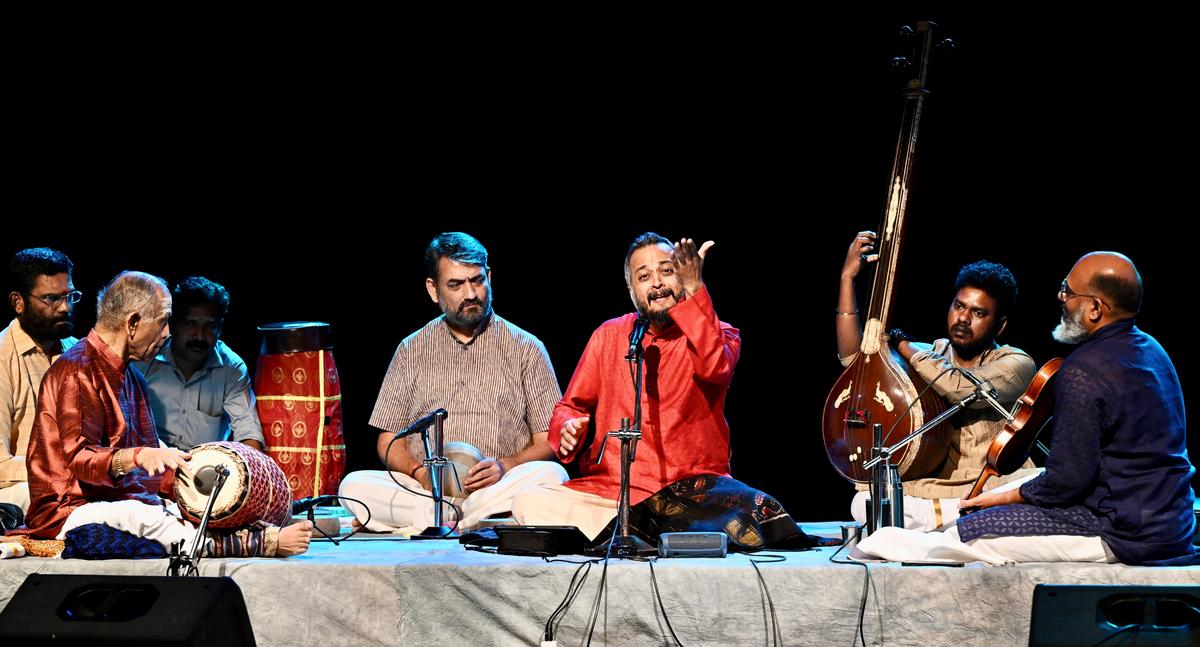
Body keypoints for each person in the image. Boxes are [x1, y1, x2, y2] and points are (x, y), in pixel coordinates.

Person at [856, 252, 1195, 565]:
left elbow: (1066, 483)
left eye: (1068, 291)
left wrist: (1005, 498)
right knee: (986, 512)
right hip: (1172, 521)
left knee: (968, 534)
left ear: (1094, 309)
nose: (1061, 297)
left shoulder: (1083, 370)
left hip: (1121, 530)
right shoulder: (1153, 350)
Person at [512, 233, 807, 549]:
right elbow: (571, 406)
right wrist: (569, 429)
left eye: (667, 271)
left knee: (756, 507)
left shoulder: (721, 334)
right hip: (612, 492)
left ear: (683, 276)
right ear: (631, 291)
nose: (657, 283)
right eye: (644, 276)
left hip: (692, 494)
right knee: (528, 501)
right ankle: (643, 532)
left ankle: (631, 534)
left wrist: (695, 292)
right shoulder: (609, 335)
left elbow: (714, 368)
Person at [13, 271, 310, 557]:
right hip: (68, 510)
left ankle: (254, 528)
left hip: (117, 502)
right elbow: (79, 461)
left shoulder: (133, 378)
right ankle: (260, 544)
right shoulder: (77, 372)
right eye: (164, 320)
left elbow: (152, 463)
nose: (168, 332)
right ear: (133, 323)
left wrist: (193, 481)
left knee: (173, 509)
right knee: (139, 514)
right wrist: (137, 457)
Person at [338, 232, 567, 532]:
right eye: (456, 285)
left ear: (490, 277)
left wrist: (504, 466)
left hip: (494, 488)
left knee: (552, 474)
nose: (471, 293)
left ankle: (446, 519)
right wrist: (420, 474)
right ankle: (461, 519)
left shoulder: (527, 347)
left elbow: (549, 440)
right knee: (353, 486)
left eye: (477, 280)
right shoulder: (411, 349)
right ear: (433, 290)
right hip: (424, 492)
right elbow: (388, 441)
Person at [838, 231, 1038, 530]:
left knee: (1036, 484)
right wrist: (847, 279)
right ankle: (965, 518)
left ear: (1000, 324)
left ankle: (963, 520)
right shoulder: (933, 354)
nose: (963, 318)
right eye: (959, 306)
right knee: (864, 500)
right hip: (941, 489)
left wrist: (904, 346)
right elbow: (857, 360)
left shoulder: (1016, 363)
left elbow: (960, 387)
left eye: (979, 313)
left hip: (994, 484)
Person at [135, 276, 266, 451]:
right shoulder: (146, 357)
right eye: (190, 324)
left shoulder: (231, 369)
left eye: (210, 326)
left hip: (205, 469)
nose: (199, 335)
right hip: (148, 464)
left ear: (220, 328)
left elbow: (248, 432)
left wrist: (248, 470)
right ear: (172, 323)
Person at [1, 248, 80, 513]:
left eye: (70, 296)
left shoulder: (79, 353)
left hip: (77, 482)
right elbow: (1, 466)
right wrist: (64, 470)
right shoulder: (2, 357)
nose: (65, 307)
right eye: (52, 299)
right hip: (21, 490)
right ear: (18, 302)